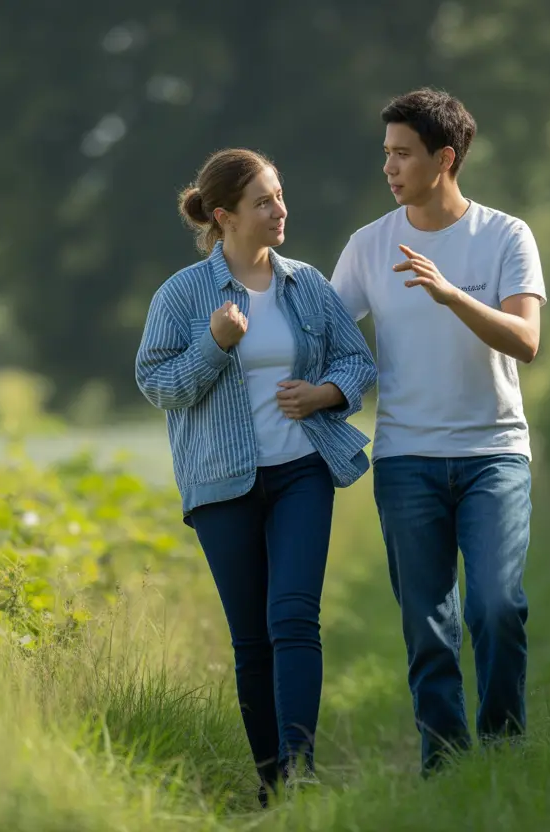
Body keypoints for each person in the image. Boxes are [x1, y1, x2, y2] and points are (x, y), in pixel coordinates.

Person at [135, 148, 377, 806]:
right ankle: (270, 783)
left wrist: (326, 394)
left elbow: (358, 363)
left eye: (280, 196)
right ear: (225, 216)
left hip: (303, 470)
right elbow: (159, 385)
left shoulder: (307, 285)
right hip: (222, 485)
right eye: (265, 201)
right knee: (251, 639)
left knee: (295, 618)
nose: (280, 210)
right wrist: (214, 342)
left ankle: (300, 775)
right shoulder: (183, 295)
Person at [328, 88, 547, 775]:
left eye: (402, 154)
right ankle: (447, 767)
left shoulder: (506, 235)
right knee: (428, 627)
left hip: (493, 456)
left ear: (444, 159)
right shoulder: (368, 246)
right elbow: (326, 335)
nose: (388, 168)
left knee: (496, 606)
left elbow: (527, 340)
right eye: (385, 154)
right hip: (405, 459)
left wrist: (453, 294)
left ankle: (503, 749)